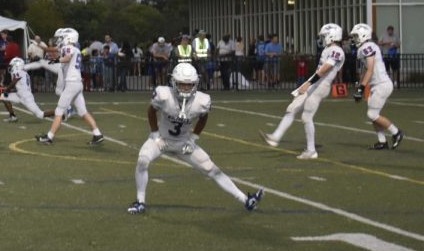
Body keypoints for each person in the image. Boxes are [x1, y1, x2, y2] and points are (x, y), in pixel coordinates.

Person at [127, 63, 264, 214]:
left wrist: (194, 137)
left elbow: (203, 118)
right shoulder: (164, 95)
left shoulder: (202, 101)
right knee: (142, 160)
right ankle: (140, 201)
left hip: (183, 143)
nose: (186, 88)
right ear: (174, 82)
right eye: (182, 84)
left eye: (189, 85)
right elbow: (151, 111)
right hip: (162, 140)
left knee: (212, 169)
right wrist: (154, 134)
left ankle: (245, 200)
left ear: (195, 84)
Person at [261, 24, 346, 159]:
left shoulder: (337, 51)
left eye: (324, 36)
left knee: (306, 117)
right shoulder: (329, 49)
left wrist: (308, 83)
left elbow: (326, 69)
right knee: (292, 108)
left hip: (321, 86)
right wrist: (309, 82)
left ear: (332, 36)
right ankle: (275, 137)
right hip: (314, 83)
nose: (323, 39)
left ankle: (311, 150)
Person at [35, 28, 105, 146]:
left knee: (59, 110)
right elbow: (56, 50)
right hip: (77, 82)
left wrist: (54, 61)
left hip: (72, 83)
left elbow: (67, 57)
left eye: (61, 38)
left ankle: (49, 137)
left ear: (68, 38)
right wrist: (42, 48)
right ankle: (97, 134)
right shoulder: (75, 49)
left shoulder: (68, 48)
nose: (59, 40)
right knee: (82, 111)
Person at [350, 23, 403, 150]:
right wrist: (359, 86)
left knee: (372, 114)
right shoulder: (364, 48)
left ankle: (396, 132)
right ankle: (382, 141)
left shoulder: (368, 46)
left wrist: (362, 88)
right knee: (373, 114)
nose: (354, 39)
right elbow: (365, 70)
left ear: (363, 35)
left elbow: (371, 69)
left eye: (356, 36)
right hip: (377, 85)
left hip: (381, 85)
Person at [0, 56, 46, 122]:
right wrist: (8, 90)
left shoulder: (19, 71)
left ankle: (59, 113)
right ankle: (12, 116)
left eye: (12, 65)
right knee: (2, 96)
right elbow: (18, 86)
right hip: (20, 94)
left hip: (26, 97)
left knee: (40, 114)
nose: (10, 67)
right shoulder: (23, 72)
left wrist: (7, 89)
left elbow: (14, 81)